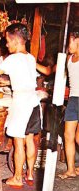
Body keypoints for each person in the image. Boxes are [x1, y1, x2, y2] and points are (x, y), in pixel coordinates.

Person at [0, 23, 42, 188]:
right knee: (30, 139)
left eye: (7, 40)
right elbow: (25, 78)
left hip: (22, 103)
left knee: (18, 141)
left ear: (15, 41)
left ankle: (16, 177)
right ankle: (29, 174)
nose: (6, 44)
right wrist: (8, 81)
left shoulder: (13, 58)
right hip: (34, 101)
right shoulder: (30, 57)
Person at [58, 31, 79, 179]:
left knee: (78, 138)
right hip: (73, 99)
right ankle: (71, 169)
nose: (68, 45)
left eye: (70, 42)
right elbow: (55, 71)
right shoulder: (69, 58)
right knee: (68, 135)